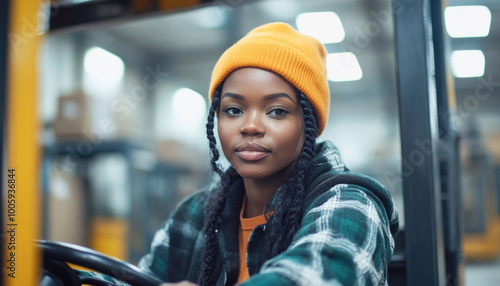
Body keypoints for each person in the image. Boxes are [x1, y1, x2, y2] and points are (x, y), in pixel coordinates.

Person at [141, 22, 399, 286]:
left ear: (309, 125)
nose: (250, 126)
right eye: (233, 110)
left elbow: (311, 278)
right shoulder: (195, 214)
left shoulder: (352, 202)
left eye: (277, 111)